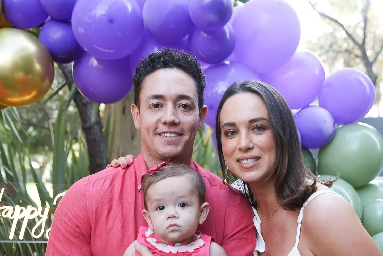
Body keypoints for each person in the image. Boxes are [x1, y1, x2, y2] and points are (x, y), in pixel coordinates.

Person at [45, 49, 256, 256]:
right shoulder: (85, 199)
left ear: (200, 118)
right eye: (156, 105)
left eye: (184, 106)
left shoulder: (232, 207)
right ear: (137, 116)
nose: (169, 118)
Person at [215, 80, 382, 255]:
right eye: (231, 132)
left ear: (284, 134)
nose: (243, 144)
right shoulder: (229, 208)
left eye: (258, 128)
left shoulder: (325, 211)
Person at [123, 161, 227, 256]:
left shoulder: (213, 252)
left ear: (201, 212)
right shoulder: (138, 248)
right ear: (149, 218)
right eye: (160, 207)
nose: (171, 214)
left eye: (182, 204)